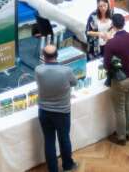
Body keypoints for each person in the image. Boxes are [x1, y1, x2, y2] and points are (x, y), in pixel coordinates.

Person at [35, 44, 78, 172]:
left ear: (43, 56)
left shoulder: (38, 70)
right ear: (57, 55)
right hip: (62, 112)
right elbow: (74, 82)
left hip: (44, 111)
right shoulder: (66, 71)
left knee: (49, 141)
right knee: (64, 138)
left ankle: (53, 169)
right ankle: (68, 165)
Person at [103, 13, 129, 145]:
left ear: (112, 25)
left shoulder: (111, 43)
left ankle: (121, 137)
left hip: (120, 81)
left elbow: (106, 65)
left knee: (119, 109)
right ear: (124, 23)